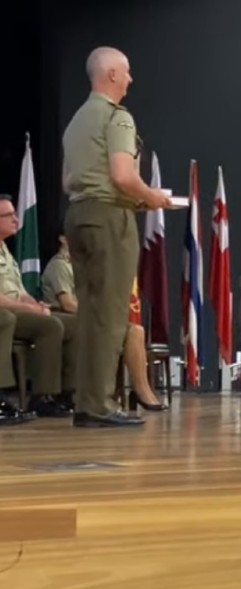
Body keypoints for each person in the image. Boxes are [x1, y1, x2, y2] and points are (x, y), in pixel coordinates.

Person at [62, 46, 171, 427]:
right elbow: (124, 176)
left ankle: (87, 400)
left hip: (78, 214)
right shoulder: (117, 118)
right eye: (126, 72)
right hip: (109, 218)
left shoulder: (77, 121)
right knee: (110, 315)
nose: (130, 79)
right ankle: (100, 405)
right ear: (110, 75)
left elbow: (73, 178)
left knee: (91, 313)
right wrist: (153, 198)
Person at [41, 232, 166, 411]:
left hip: (87, 316)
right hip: (67, 317)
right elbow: (67, 304)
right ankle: (129, 392)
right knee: (123, 331)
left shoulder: (83, 265)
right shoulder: (60, 266)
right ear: (63, 239)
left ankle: (141, 389)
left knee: (136, 330)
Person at [0, 197, 76, 418]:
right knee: (49, 326)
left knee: (77, 324)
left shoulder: (6, 250)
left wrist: (35, 305)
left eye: (15, 214)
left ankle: (68, 392)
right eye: (9, 216)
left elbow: (20, 292)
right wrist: (30, 310)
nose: (16, 219)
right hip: (6, 311)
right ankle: (41, 395)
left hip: (15, 309)